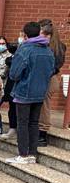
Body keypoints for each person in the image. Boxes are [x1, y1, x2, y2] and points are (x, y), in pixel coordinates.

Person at [6, 21, 56, 165]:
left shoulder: (24, 49)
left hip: (24, 92)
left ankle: (22, 154)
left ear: (25, 35)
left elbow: (14, 74)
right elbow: (51, 70)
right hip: (40, 92)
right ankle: (32, 154)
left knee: (22, 123)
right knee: (34, 123)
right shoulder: (48, 50)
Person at [38, 19, 66, 147]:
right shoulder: (45, 45)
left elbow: (56, 65)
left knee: (44, 105)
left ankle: (42, 134)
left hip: (50, 78)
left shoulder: (57, 46)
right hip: (46, 77)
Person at [0, 35, 12, 135]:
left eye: (3, 44)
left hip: (2, 87)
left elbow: (6, 73)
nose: (0, 45)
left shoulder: (9, 57)